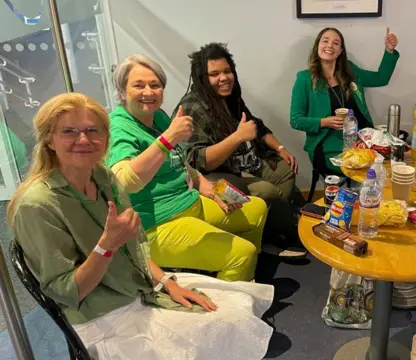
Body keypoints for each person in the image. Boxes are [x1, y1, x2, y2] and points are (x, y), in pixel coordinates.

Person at [7, 93, 274, 359]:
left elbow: (134, 246)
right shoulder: (37, 206)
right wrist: (106, 246)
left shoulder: (102, 176)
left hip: (137, 287)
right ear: (49, 140)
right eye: (69, 131)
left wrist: (167, 282)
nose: (84, 139)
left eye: (92, 130)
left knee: (236, 306)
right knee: (223, 327)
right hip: (103, 316)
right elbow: (68, 293)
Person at [108, 54, 268, 281]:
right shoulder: (118, 127)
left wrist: (205, 185)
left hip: (188, 201)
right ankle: (229, 306)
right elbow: (125, 182)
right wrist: (167, 139)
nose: (148, 92)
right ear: (122, 92)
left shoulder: (159, 117)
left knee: (257, 209)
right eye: (138, 85)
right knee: (242, 254)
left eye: (155, 85)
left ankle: (241, 278)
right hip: (156, 224)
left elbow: (180, 161)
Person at [176, 43, 306, 258]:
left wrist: (281, 148)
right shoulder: (192, 107)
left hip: (249, 162)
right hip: (217, 175)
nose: (224, 78)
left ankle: (268, 229)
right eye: (214, 74)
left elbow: (257, 126)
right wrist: (237, 137)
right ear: (202, 78)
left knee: (286, 170)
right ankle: (280, 231)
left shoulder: (231, 96)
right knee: (268, 192)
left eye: (227, 71)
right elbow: (199, 161)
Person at [290, 27, 399, 174]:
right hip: (328, 146)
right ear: (317, 46)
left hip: (362, 140)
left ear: (340, 51)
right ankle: (363, 195)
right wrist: (324, 121)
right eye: (325, 41)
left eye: (336, 43)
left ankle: (369, 195)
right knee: (372, 169)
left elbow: (381, 78)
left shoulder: (350, 71)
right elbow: (296, 120)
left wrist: (389, 50)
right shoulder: (304, 79)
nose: (329, 46)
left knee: (394, 160)